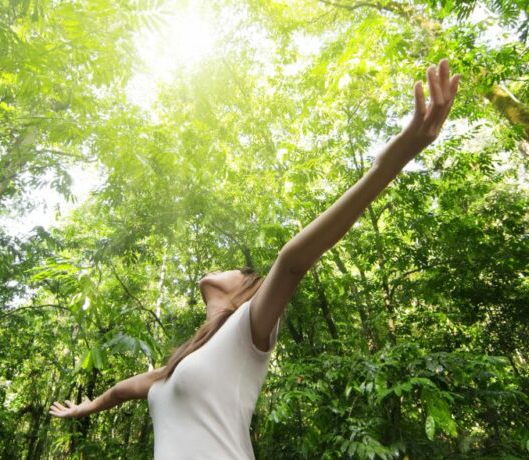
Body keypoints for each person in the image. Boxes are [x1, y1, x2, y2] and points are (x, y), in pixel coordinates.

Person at [49, 58, 460, 458]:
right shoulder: (174, 369)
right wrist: (84, 408)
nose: (221, 267)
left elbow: (293, 261)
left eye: (238, 270)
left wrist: (393, 159)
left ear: (246, 291)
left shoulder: (248, 329)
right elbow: (121, 390)